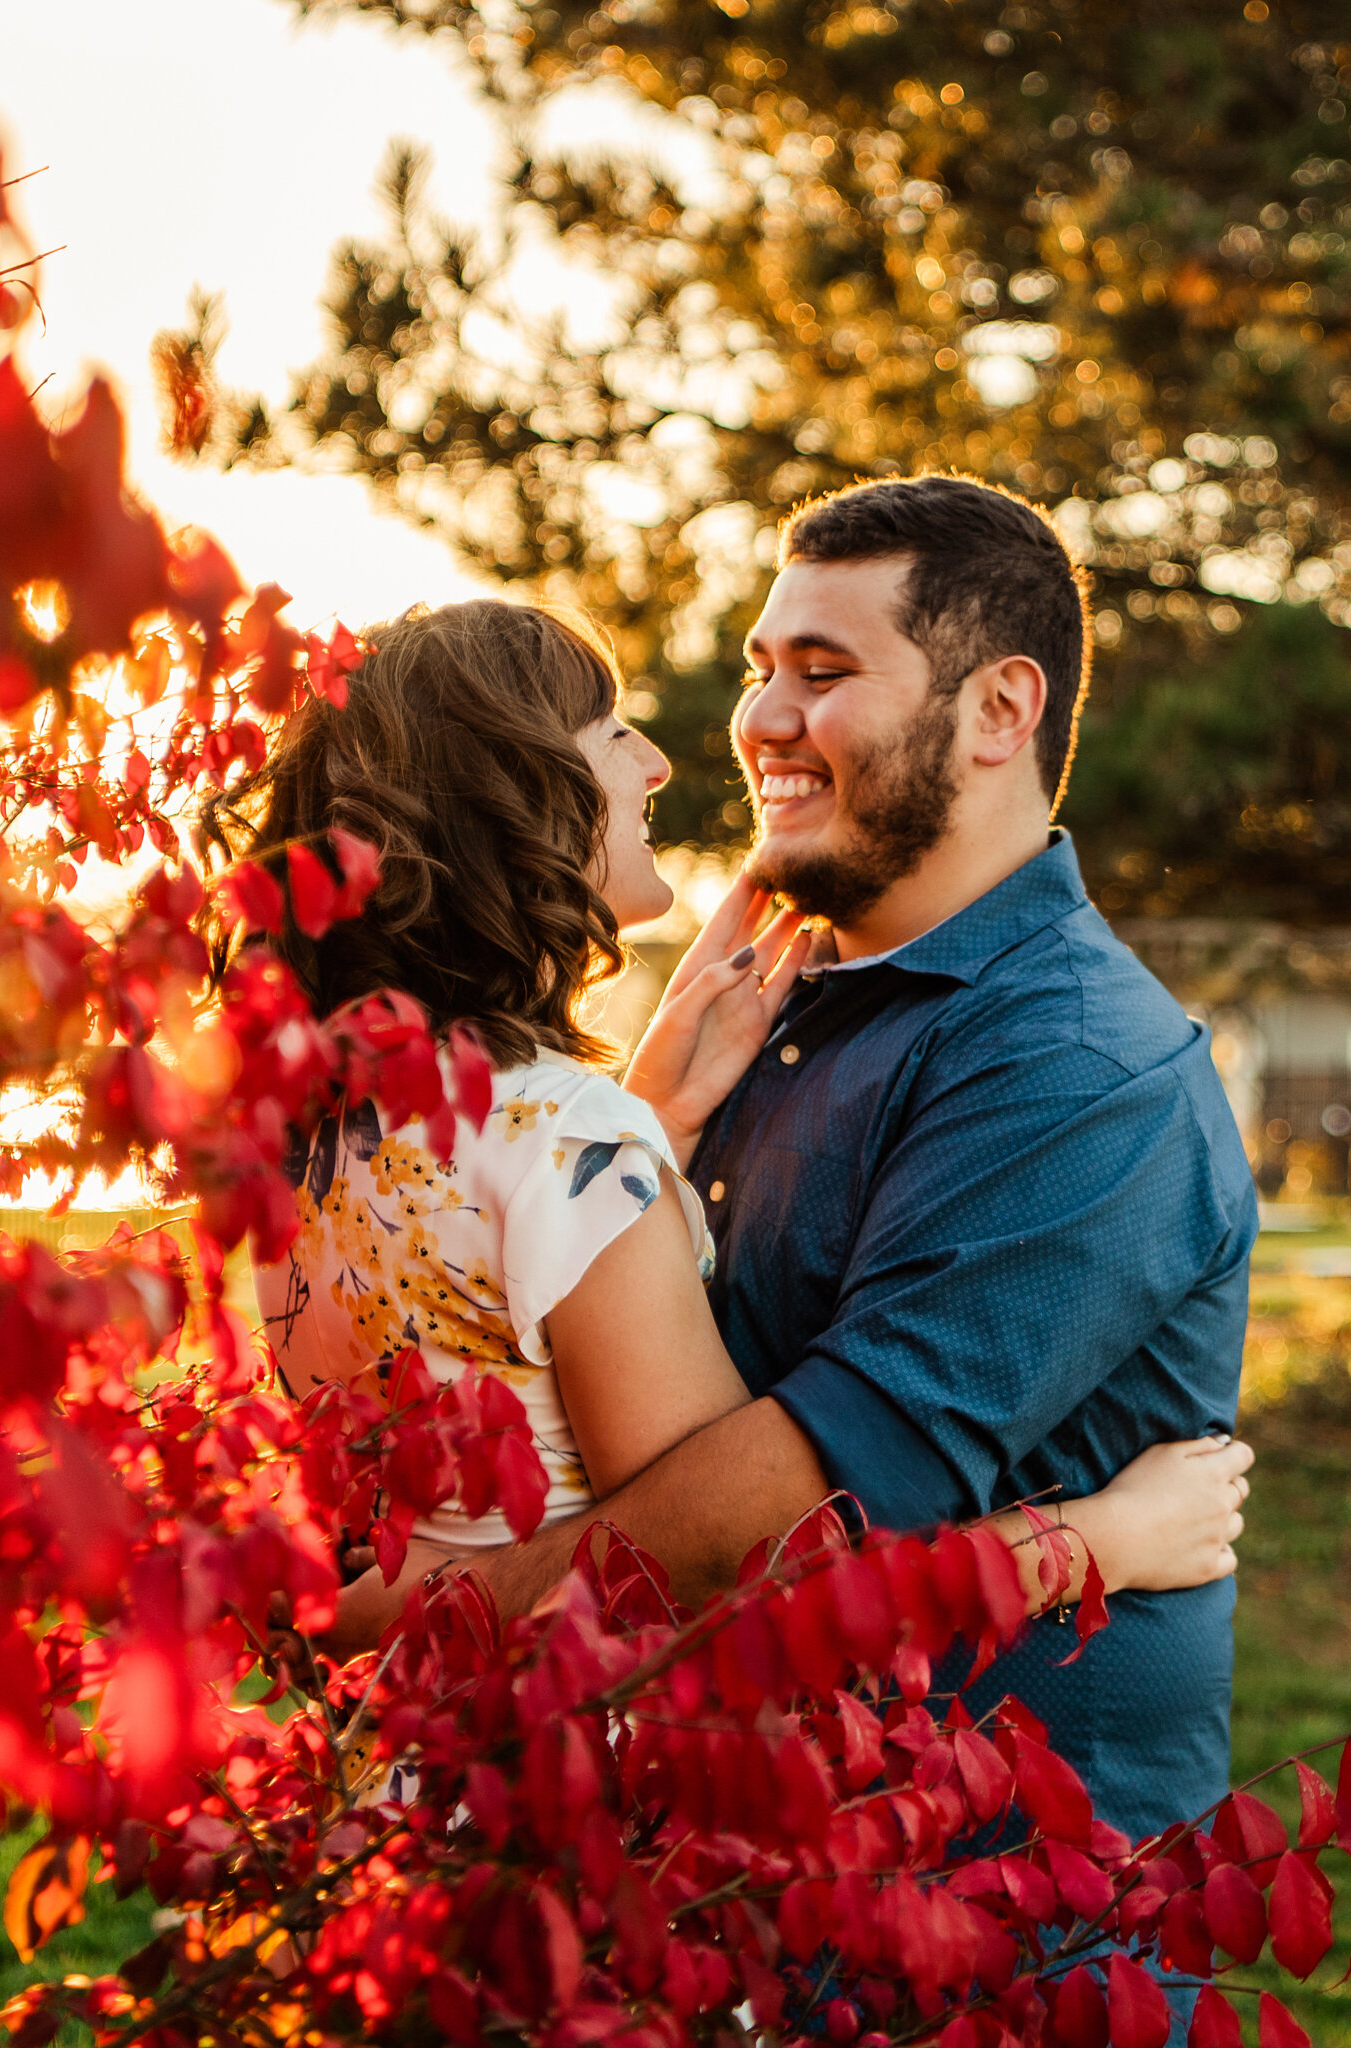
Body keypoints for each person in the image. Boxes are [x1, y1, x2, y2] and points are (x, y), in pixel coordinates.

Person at [369, 478, 1256, 1866]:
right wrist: (643, 1113)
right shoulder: (757, 1010)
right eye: (760, 670)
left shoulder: (1078, 1069)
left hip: (991, 1933)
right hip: (711, 1893)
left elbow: (789, 1521)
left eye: (823, 674)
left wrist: (437, 1620)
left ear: (998, 713)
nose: (758, 723)